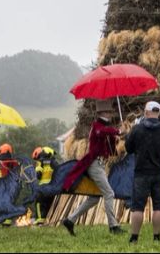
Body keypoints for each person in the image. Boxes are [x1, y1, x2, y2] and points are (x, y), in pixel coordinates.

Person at [61, 99, 124, 236]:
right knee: (109, 193)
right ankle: (113, 226)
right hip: (95, 165)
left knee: (94, 197)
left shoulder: (103, 126)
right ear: (103, 112)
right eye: (109, 111)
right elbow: (102, 132)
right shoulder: (97, 126)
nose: (111, 113)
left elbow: (106, 136)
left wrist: (117, 135)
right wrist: (118, 131)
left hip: (99, 165)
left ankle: (70, 220)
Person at [125, 101, 160, 243]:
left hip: (141, 173)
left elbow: (128, 148)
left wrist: (129, 134)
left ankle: (134, 237)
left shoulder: (137, 129)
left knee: (138, 207)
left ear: (146, 113)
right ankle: (156, 237)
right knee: (159, 206)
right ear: (159, 113)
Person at [32, 146, 59, 225]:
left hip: (43, 188)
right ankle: (50, 220)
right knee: (50, 204)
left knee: (38, 203)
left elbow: (38, 175)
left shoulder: (40, 162)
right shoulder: (54, 161)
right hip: (53, 188)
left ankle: (40, 220)